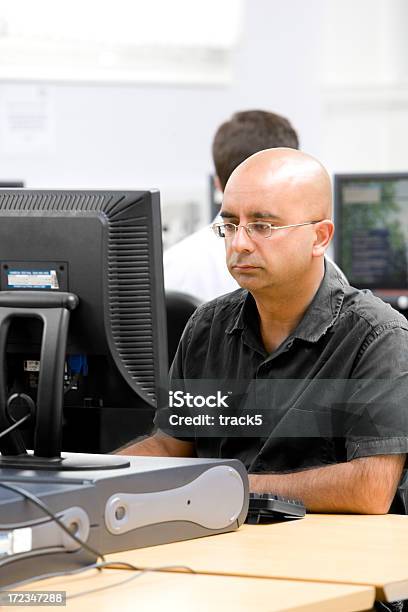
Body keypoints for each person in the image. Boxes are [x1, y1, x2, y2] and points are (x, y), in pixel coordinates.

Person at [118, 148, 408, 516]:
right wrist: (89, 478)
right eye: (230, 225)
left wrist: (222, 483)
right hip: (221, 548)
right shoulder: (207, 328)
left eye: (262, 226)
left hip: (328, 560)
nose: (239, 243)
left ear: (319, 237)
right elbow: (169, 446)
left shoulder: (378, 336)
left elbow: (368, 489)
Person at [163, 110, 299, 302]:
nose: (240, 244)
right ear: (290, 180)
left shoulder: (169, 268)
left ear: (217, 183)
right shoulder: (314, 269)